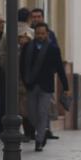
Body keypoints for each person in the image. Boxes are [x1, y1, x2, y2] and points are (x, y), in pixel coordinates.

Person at [20, 22, 71, 152]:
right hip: (31, 86)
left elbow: (60, 69)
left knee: (42, 112)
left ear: (47, 34)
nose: (40, 36)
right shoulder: (27, 47)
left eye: (43, 33)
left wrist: (66, 87)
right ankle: (42, 130)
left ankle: (39, 140)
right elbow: (21, 66)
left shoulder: (53, 49)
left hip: (46, 87)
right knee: (31, 114)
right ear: (34, 33)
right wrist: (25, 82)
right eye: (38, 33)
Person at [28, 8, 61, 140]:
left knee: (44, 108)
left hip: (46, 79)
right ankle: (39, 130)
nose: (36, 19)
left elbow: (56, 54)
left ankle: (44, 132)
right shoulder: (29, 34)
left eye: (38, 16)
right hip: (32, 80)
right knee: (32, 110)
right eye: (34, 16)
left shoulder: (50, 34)